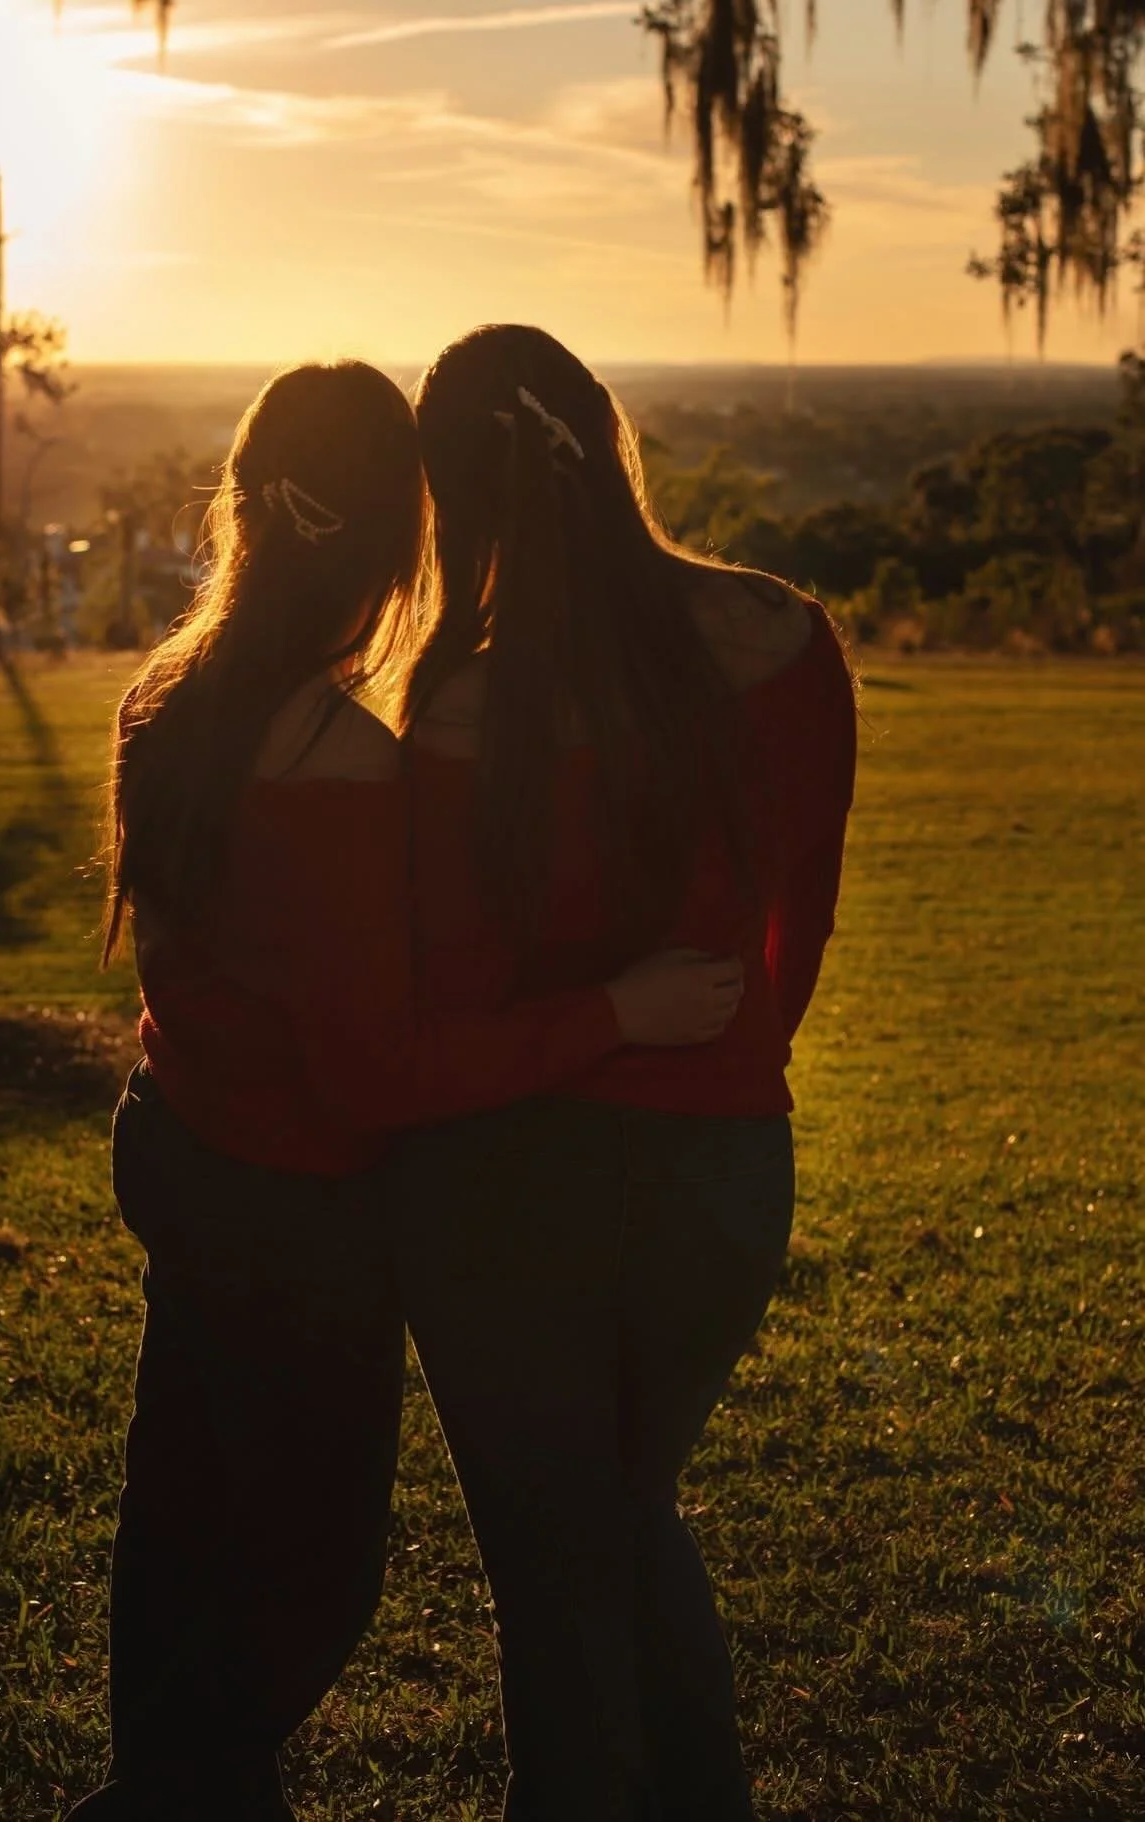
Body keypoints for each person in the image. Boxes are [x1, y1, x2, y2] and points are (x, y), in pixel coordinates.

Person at [69, 359, 749, 1821]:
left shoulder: (163, 699)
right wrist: (612, 1009)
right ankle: (151, 1800)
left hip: (178, 1143)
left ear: (248, 509)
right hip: (295, 1205)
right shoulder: (338, 760)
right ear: (398, 536)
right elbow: (377, 1073)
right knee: (316, 1570)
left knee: (179, 1512)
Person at [392, 324, 858, 1822]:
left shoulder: (459, 708)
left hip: (514, 1173)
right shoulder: (784, 635)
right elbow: (801, 916)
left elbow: (457, 991)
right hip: (724, 1172)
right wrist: (722, 1059)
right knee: (621, 1507)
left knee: (557, 1552)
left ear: (447, 496)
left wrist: (600, 1026)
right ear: (605, 441)